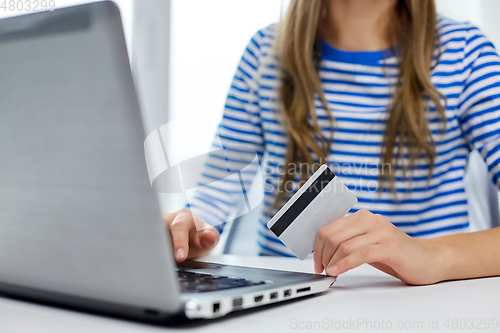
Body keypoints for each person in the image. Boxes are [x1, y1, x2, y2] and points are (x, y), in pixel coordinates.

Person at [162, 0, 500, 285]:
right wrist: (189, 230)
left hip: (413, 298)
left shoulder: (465, 55)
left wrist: (431, 255)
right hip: (284, 299)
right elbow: (213, 200)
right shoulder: (265, 53)